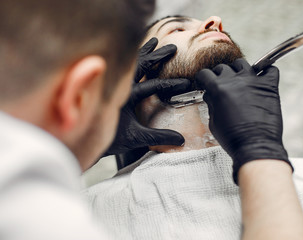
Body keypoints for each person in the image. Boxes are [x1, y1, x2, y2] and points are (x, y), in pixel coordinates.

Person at [82, 15, 303, 240]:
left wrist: (258, 146)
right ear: (136, 81)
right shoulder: (87, 212)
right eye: (177, 27)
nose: (214, 20)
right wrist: (80, 147)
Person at [0, 1, 194, 239]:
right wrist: (254, 154)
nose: (214, 21)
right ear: (78, 97)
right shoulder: (41, 219)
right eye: (117, 101)